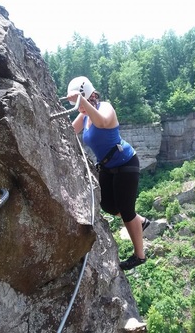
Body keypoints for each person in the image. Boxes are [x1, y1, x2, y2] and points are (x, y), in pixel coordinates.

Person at [66, 76, 151, 270]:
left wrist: (83, 103)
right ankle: (141, 221)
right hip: (106, 167)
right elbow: (71, 129)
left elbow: (103, 122)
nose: (79, 107)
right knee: (109, 206)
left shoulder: (105, 108)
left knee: (126, 210)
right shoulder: (85, 114)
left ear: (88, 95)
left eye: (81, 102)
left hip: (126, 163)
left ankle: (139, 255)